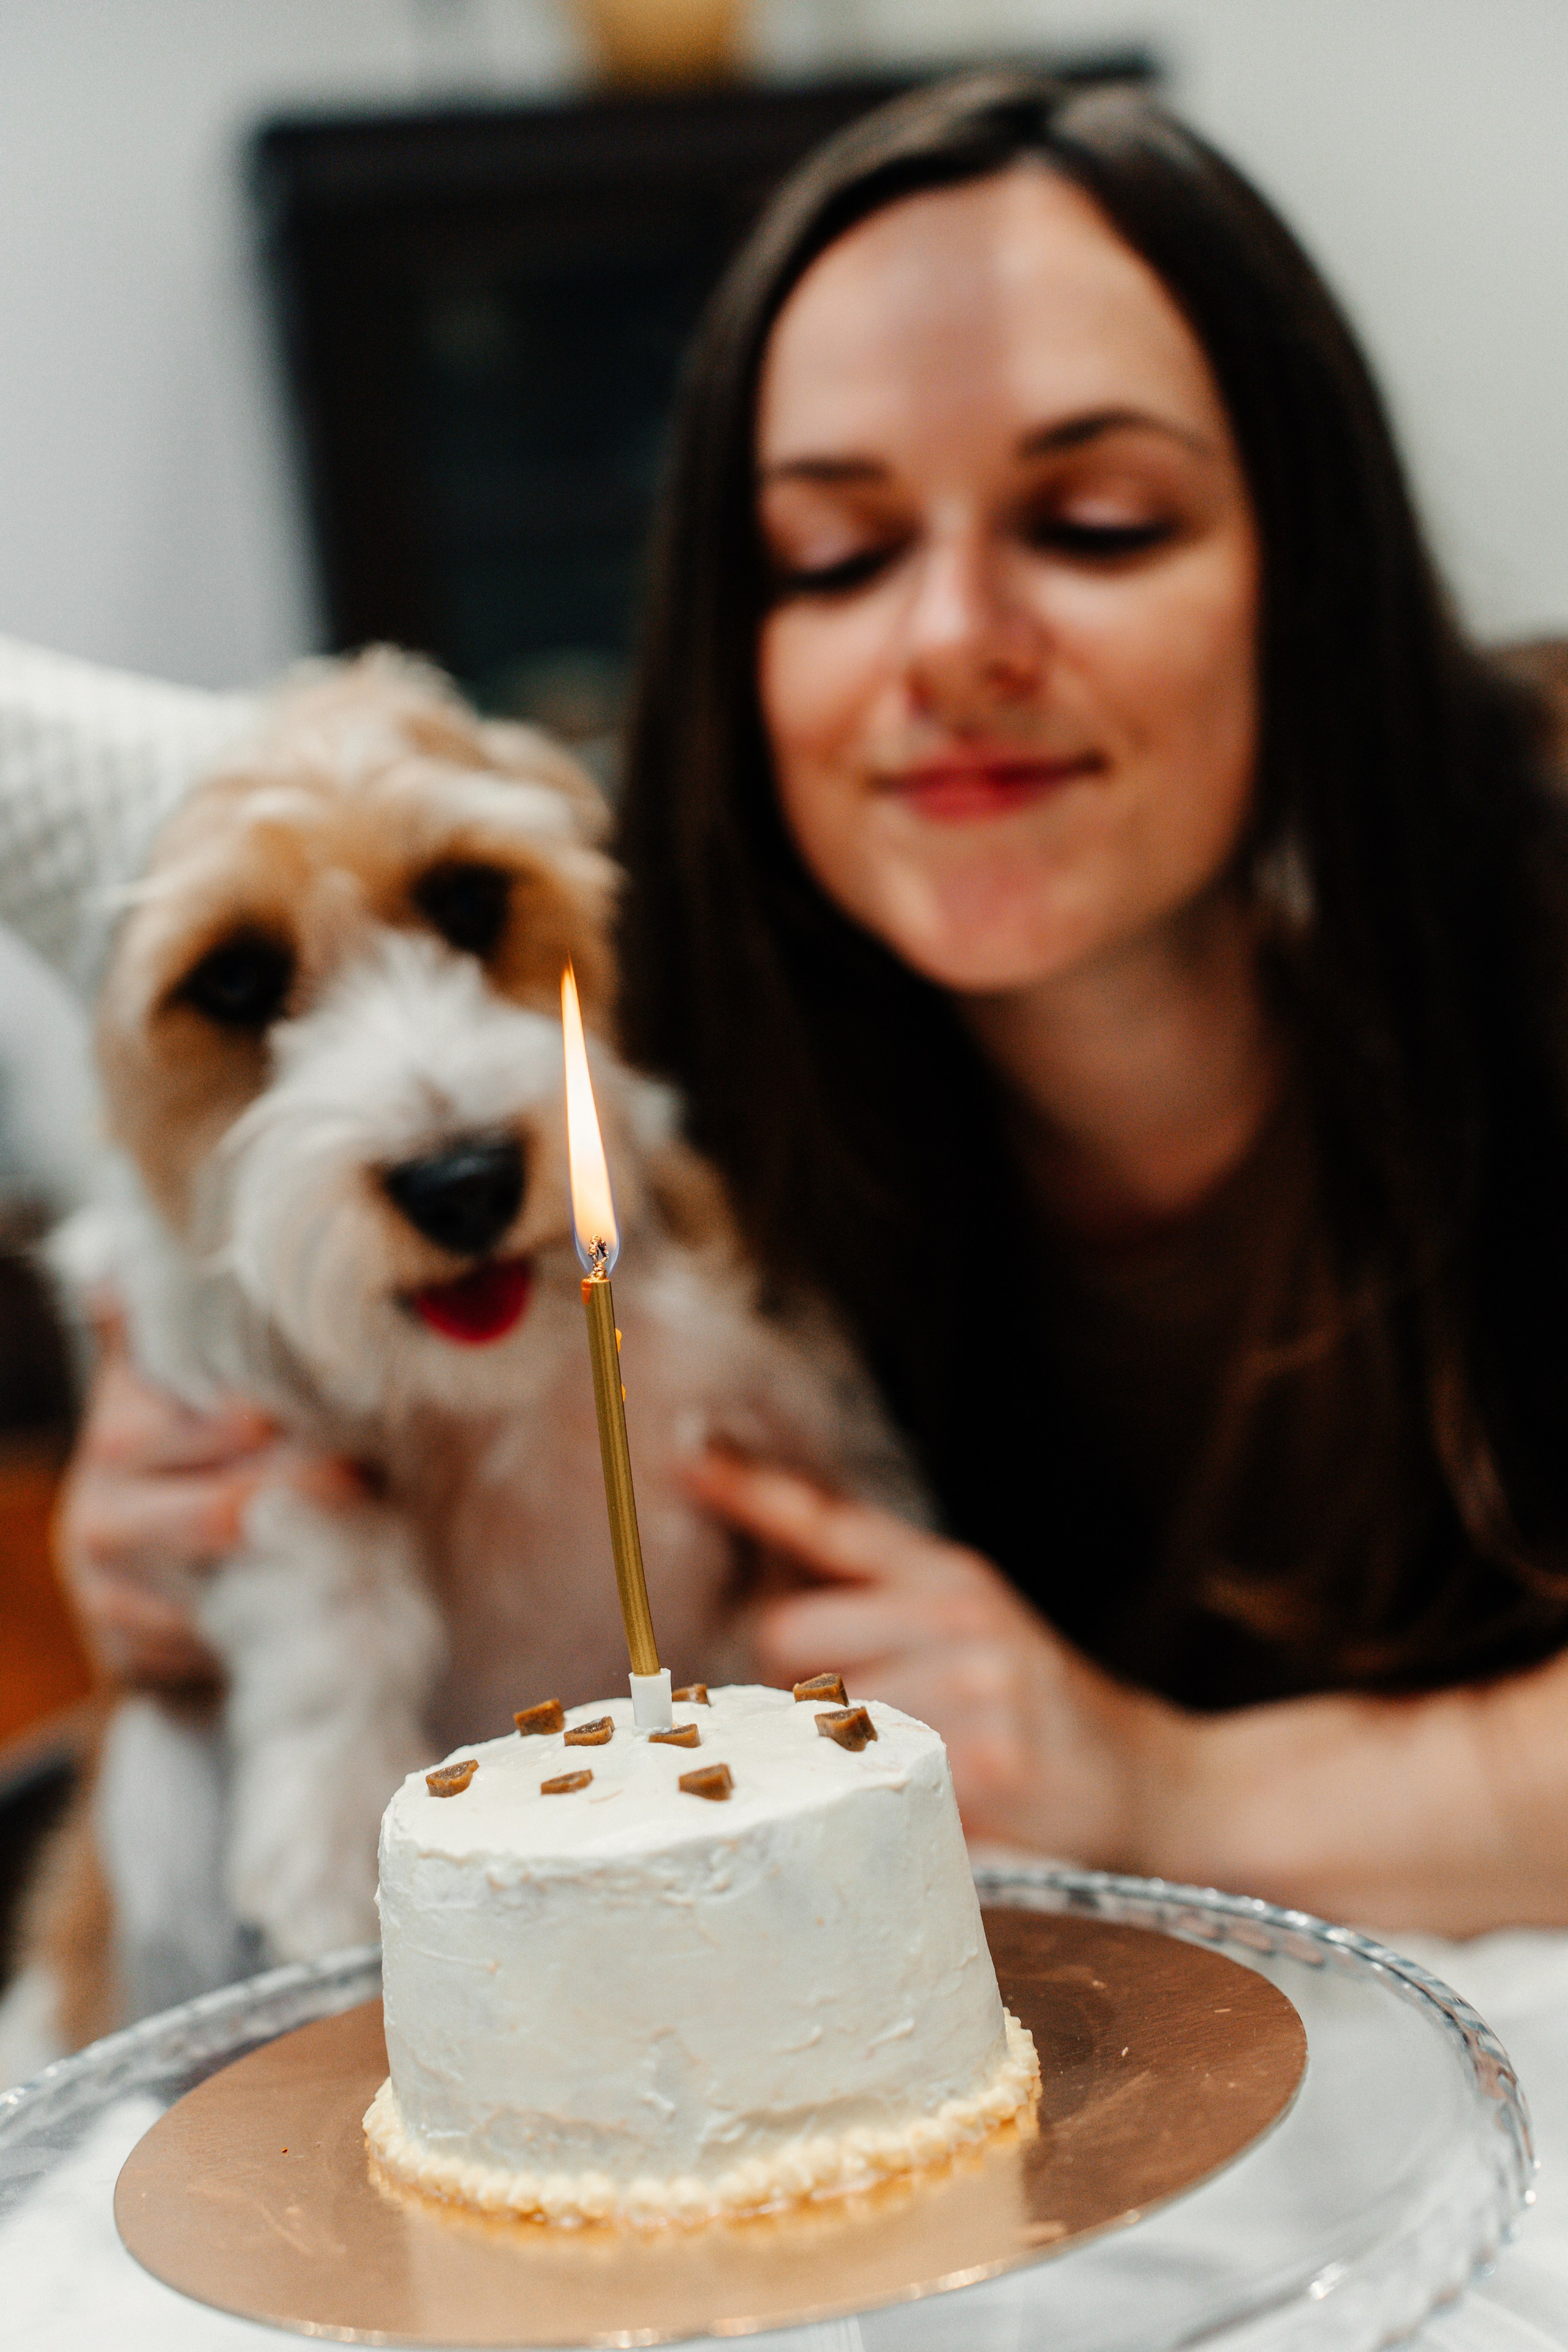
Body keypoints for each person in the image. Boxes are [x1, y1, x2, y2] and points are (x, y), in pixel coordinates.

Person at [56, 75, 1568, 1933]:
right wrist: (174, 1532)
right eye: (832, 557)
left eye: (1097, 521)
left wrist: (1168, 1784)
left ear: (1310, 565)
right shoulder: (636, 1083)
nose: (947, 644)